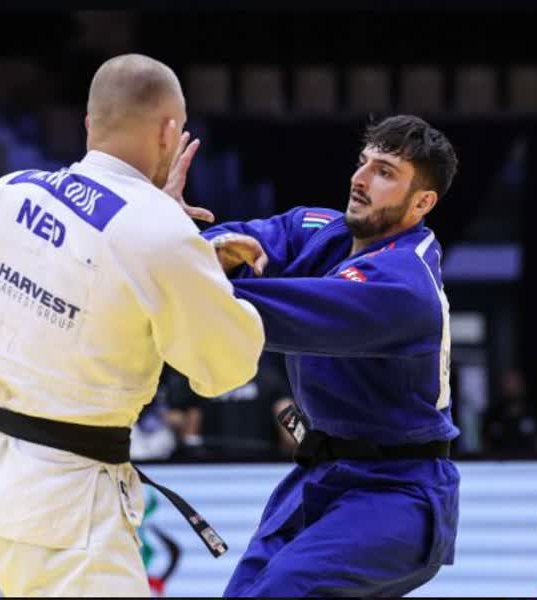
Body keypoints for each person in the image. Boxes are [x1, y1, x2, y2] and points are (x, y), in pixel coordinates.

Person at [0, 54, 264, 597]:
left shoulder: (6, 194)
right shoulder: (161, 235)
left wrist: (161, 230)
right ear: (169, 132)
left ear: (89, 122)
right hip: (69, 505)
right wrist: (191, 259)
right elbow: (226, 368)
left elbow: (91, 257)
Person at [197, 115, 461, 596]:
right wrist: (197, 247)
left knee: (283, 590)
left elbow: (272, 315)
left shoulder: (405, 286)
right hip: (320, 474)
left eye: (384, 172)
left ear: (422, 202)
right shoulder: (320, 230)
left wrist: (182, 274)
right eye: (363, 162)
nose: (360, 179)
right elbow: (234, 240)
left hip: (398, 490)